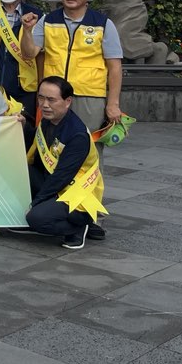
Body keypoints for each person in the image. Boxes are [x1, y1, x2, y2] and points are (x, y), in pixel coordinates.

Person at [23, 0, 124, 139]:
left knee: (88, 144)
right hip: (54, 95)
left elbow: (115, 67)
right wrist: (27, 31)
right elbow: (29, 53)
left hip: (89, 95)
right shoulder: (47, 21)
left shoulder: (103, 24)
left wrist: (113, 103)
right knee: (52, 143)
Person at [21, 76, 107, 249]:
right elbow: (39, 146)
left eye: (51, 99)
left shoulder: (77, 135)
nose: (44, 104)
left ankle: (76, 227)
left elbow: (62, 176)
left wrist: (35, 203)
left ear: (67, 101)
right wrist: (24, 126)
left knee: (35, 219)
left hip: (75, 191)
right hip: (55, 181)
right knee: (18, 169)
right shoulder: (48, 119)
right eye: (41, 98)